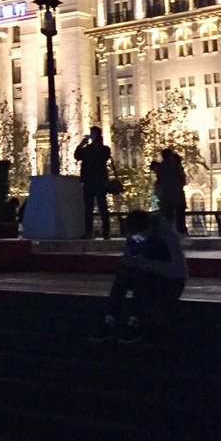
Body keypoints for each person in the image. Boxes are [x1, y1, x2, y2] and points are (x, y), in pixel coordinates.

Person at [91, 210, 188, 344]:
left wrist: (150, 264)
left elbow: (180, 272)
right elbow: (128, 257)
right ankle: (110, 319)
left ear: (149, 228)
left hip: (170, 283)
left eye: (140, 237)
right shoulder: (133, 237)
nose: (138, 240)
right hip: (145, 277)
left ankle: (134, 322)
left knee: (144, 277)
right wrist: (130, 262)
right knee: (124, 274)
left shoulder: (168, 238)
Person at [74, 126, 112, 240]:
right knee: (88, 208)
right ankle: (88, 231)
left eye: (94, 134)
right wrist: (82, 144)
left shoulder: (104, 149)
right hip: (88, 181)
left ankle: (106, 231)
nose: (92, 136)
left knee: (102, 207)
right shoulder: (87, 149)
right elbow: (77, 156)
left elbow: (103, 158)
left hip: (99, 181)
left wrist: (96, 145)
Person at [156, 149, 188, 235]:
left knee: (168, 214)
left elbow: (159, 181)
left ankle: (168, 230)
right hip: (176, 193)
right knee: (179, 212)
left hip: (166, 194)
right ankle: (181, 230)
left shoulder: (161, 167)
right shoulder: (175, 165)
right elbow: (182, 179)